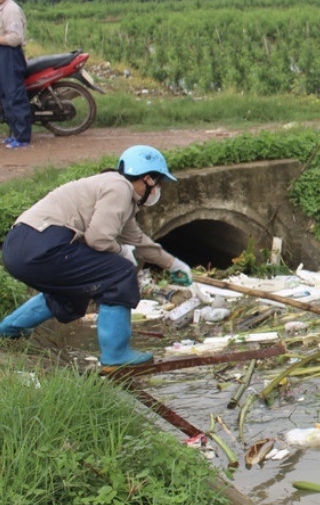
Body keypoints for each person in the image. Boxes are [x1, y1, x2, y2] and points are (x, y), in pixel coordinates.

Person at [0, 145, 193, 366]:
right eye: (158, 183)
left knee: (78, 288)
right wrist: (122, 253)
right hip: (42, 245)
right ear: (147, 179)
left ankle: (9, 329)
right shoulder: (120, 188)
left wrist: (173, 264)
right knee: (119, 273)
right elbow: (98, 239)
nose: (158, 189)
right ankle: (116, 354)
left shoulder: (115, 191)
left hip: (18, 248)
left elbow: (137, 240)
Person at [0, 0, 33, 149]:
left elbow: (14, 38)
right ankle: (14, 133)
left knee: (14, 96)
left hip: (10, 55)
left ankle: (22, 137)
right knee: (5, 97)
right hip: (2, 54)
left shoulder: (11, 10)